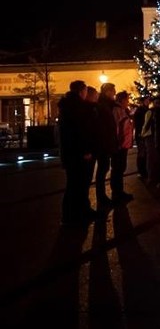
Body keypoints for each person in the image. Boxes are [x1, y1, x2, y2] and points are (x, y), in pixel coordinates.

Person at [58, 80, 100, 226]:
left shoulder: (67, 106)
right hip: (79, 154)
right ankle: (74, 215)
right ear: (82, 91)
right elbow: (80, 132)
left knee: (74, 185)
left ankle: (73, 214)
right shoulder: (77, 108)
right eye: (85, 91)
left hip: (71, 154)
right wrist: (86, 150)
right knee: (78, 185)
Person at [93, 83, 119, 208]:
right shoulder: (102, 106)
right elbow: (103, 128)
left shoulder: (107, 105)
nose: (114, 93)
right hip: (103, 145)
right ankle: (101, 197)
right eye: (113, 91)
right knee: (102, 171)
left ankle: (102, 197)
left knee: (104, 170)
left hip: (106, 143)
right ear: (107, 92)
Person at [110, 91, 135, 203]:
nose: (128, 102)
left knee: (120, 168)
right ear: (121, 100)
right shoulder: (117, 111)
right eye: (127, 99)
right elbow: (116, 128)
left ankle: (119, 191)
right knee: (117, 169)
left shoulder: (123, 110)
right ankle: (117, 193)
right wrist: (118, 143)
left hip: (123, 144)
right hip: (119, 145)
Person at [133, 96, 151, 181]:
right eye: (146, 100)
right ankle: (141, 171)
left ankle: (144, 170)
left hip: (144, 134)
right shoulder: (140, 111)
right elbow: (138, 123)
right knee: (142, 153)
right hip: (141, 134)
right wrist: (140, 133)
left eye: (148, 100)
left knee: (144, 153)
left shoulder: (146, 110)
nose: (148, 102)